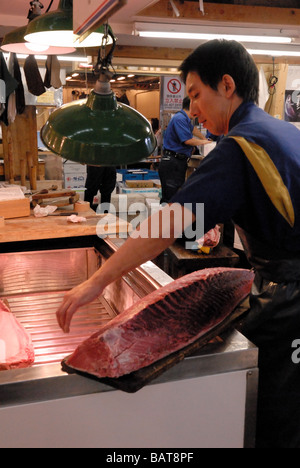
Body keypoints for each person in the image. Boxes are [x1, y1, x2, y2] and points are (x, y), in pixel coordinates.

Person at [56, 40, 300, 448]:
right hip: (284, 286)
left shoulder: (240, 146)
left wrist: (97, 281)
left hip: (292, 300)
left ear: (226, 85)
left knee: (277, 416)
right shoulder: (278, 129)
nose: (193, 111)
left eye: (195, 95)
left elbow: (170, 221)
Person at [158, 96, 209, 203]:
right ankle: (167, 219)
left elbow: (193, 129)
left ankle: (171, 218)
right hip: (172, 163)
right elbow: (187, 140)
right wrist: (205, 143)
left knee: (176, 197)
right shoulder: (179, 118)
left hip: (178, 162)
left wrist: (204, 138)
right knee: (170, 199)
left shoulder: (185, 118)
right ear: (191, 105)